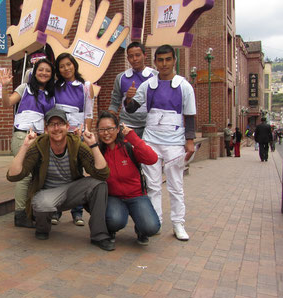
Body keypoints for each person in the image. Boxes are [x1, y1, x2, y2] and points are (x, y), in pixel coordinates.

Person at [7, 108, 114, 251]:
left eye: (60, 124)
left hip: (71, 192)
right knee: (41, 203)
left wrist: (93, 145)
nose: (56, 128)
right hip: (47, 195)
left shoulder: (76, 144)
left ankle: (99, 235)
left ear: (67, 127)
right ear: (46, 129)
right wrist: (25, 146)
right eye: (52, 124)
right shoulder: (39, 145)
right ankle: (43, 227)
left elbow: (102, 174)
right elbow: (14, 175)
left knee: (99, 184)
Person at [125, 44, 196, 241]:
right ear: (155, 62)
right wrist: (127, 99)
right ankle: (155, 221)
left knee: (176, 185)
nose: (164, 64)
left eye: (168, 59)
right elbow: (131, 109)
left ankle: (178, 223)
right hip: (151, 140)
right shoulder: (147, 85)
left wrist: (189, 141)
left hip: (174, 142)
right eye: (160, 60)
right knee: (153, 185)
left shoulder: (184, 86)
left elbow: (190, 116)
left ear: (174, 61)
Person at [1, 58, 56, 227]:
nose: (44, 73)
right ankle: (20, 215)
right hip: (22, 136)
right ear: (34, 71)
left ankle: (29, 211)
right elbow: (7, 103)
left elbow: (48, 121)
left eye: (48, 70)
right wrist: (4, 87)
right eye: (41, 69)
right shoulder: (24, 88)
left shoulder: (50, 96)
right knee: (24, 176)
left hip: (39, 139)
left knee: (37, 175)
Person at [97, 111, 160, 247]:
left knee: (151, 227)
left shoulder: (128, 146)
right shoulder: (99, 151)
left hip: (136, 196)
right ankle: (111, 229)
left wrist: (133, 138)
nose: (106, 133)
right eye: (102, 130)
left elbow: (152, 159)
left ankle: (141, 229)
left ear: (118, 129)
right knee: (114, 220)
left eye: (110, 129)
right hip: (114, 197)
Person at [53, 52, 96, 226]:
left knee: (76, 171)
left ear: (74, 65)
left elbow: (89, 113)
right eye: (62, 66)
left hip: (77, 136)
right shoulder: (55, 86)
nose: (66, 68)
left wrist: (86, 133)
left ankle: (77, 212)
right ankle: (56, 210)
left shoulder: (86, 86)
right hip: (58, 134)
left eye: (68, 64)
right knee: (56, 171)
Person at [109, 42, 157, 138]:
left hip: (149, 127)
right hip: (126, 126)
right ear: (127, 59)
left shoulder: (155, 76)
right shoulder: (121, 77)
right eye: (131, 56)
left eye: (138, 55)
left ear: (145, 55)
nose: (134, 59)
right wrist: (109, 120)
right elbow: (115, 102)